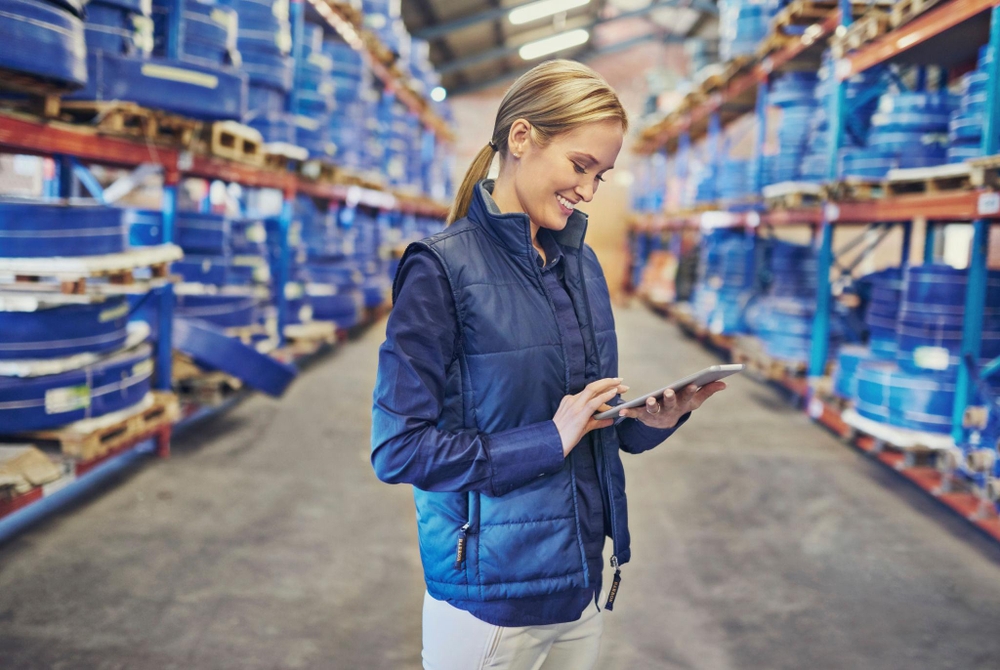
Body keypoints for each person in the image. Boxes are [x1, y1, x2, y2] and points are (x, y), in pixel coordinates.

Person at [371, 60, 726, 670]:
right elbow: (399, 450)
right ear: (522, 138)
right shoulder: (441, 270)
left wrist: (651, 422)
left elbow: (588, 427)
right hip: (492, 602)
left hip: (580, 583)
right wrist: (549, 439)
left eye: (602, 175)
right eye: (580, 166)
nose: (589, 191)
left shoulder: (578, 266)